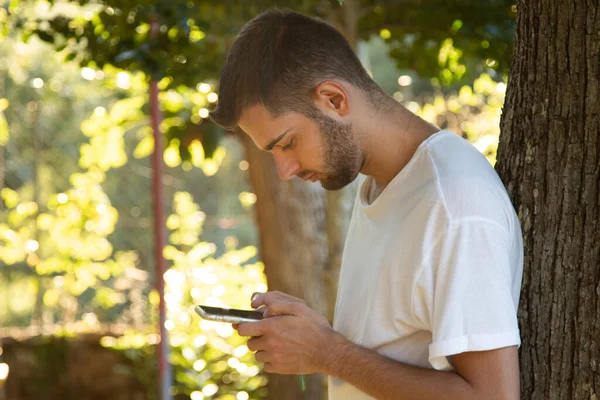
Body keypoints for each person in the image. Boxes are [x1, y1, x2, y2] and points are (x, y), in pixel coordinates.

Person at [209, 8, 523, 400]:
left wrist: (326, 352)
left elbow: (491, 396)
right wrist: (314, 336)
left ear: (334, 99)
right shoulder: (382, 184)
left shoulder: (454, 202)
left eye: (287, 142)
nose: (285, 170)